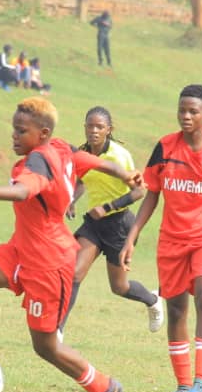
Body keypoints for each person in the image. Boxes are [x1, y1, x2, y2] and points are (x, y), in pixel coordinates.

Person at [0, 97, 141, 392]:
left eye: (21, 131)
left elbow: (21, 191)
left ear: (42, 133)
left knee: (45, 346)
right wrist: (124, 174)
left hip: (48, 261)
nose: (14, 136)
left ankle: (104, 386)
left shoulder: (40, 161)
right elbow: (96, 162)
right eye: (14, 129)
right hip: (19, 249)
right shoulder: (62, 148)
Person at [120, 84, 202, 392]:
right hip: (172, 240)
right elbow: (152, 193)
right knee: (176, 309)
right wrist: (132, 237)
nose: (186, 116)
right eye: (182, 110)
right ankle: (182, 385)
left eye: (193, 111)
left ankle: (201, 383)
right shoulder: (165, 147)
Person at [60, 106, 162, 337]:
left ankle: (153, 300)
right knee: (74, 273)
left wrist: (107, 207)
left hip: (119, 224)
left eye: (99, 127)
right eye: (90, 125)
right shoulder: (84, 153)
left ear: (109, 129)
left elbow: (139, 192)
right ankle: (58, 331)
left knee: (119, 287)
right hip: (94, 225)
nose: (94, 131)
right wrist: (72, 200)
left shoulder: (119, 156)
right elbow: (83, 180)